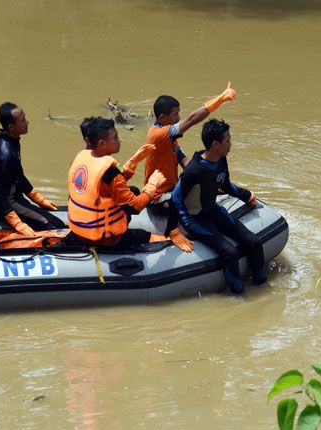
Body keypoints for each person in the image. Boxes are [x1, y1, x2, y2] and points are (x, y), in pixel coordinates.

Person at [123, 82, 237, 250]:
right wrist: (220, 99)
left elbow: (184, 161)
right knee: (189, 195)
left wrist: (207, 177)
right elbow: (191, 120)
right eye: (175, 115)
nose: (178, 118)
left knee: (197, 185)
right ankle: (173, 230)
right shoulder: (158, 134)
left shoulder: (171, 138)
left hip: (170, 189)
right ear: (162, 118)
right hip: (158, 198)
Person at [172, 119, 265, 294]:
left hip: (213, 210)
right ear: (216, 144)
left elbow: (226, 185)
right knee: (230, 253)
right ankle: (239, 295)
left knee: (254, 242)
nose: (230, 144)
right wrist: (174, 229)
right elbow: (176, 197)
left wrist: (246, 195)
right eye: (227, 140)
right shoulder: (194, 170)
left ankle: (262, 285)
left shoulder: (221, 160)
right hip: (195, 219)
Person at [66, 117, 167, 248]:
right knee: (145, 235)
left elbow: (109, 183)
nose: (119, 140)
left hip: (79, 226)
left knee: (133, 190)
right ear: (102, 143)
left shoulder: (81, 157)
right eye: (115, 137)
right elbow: (134, 207)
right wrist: (152, 186)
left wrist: (134, 160)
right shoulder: (110, 172)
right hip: (101, 237)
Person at [0, 102, 65, 235]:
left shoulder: (9, 139)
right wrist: (17, 223)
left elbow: (18, 175)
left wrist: (39, 199)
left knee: (50, 219)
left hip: (14, 197)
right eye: (22, 120)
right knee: (54, 225)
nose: (27, 122)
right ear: (11, 127)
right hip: (6, 204)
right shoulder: (5, 155)